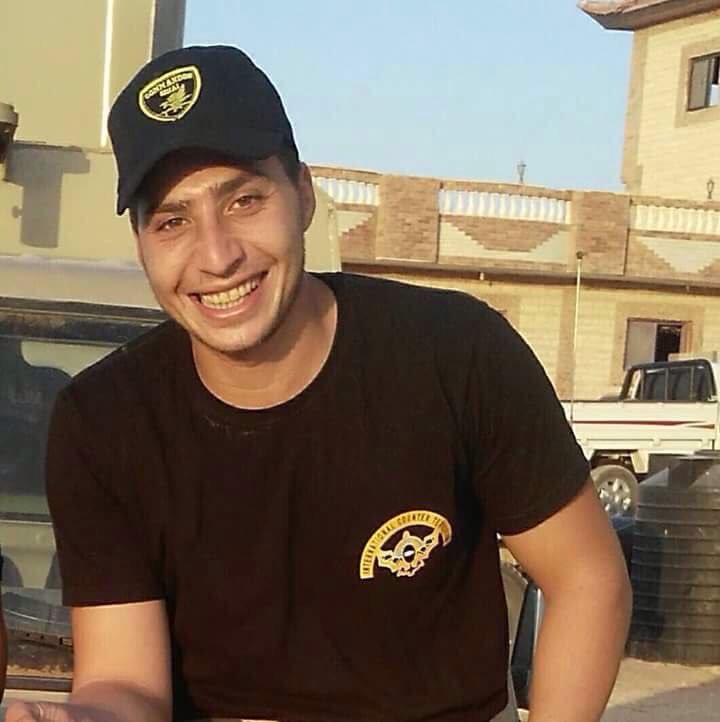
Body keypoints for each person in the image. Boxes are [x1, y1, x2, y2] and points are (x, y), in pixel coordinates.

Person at [6, 45, 631, 722]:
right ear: (141, 244)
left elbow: (586, 578)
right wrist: (79, 718)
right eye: (173, 221)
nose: (217, 256)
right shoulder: (103, 421)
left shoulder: (455, 355)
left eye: (244, 200)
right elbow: (126, 681)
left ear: (303, 195)